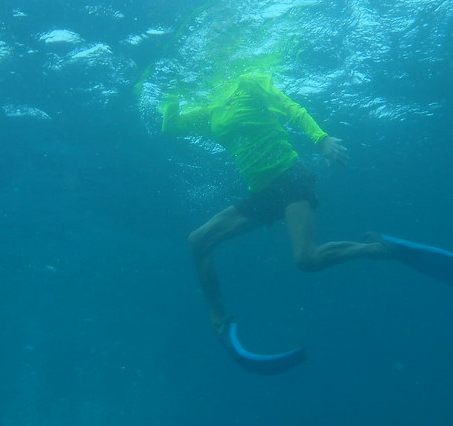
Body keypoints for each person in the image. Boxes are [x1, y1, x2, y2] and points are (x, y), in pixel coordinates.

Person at [161, 73, 394, 337]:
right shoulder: (212, 112)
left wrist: (321, 139)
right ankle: (219, 319)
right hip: (262, 194)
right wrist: (172, 89)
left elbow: (290, 107)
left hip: (290, 178)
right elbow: (171, 127)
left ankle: (377, 249)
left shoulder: (249, 82)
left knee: (307, 259)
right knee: (198, 241)